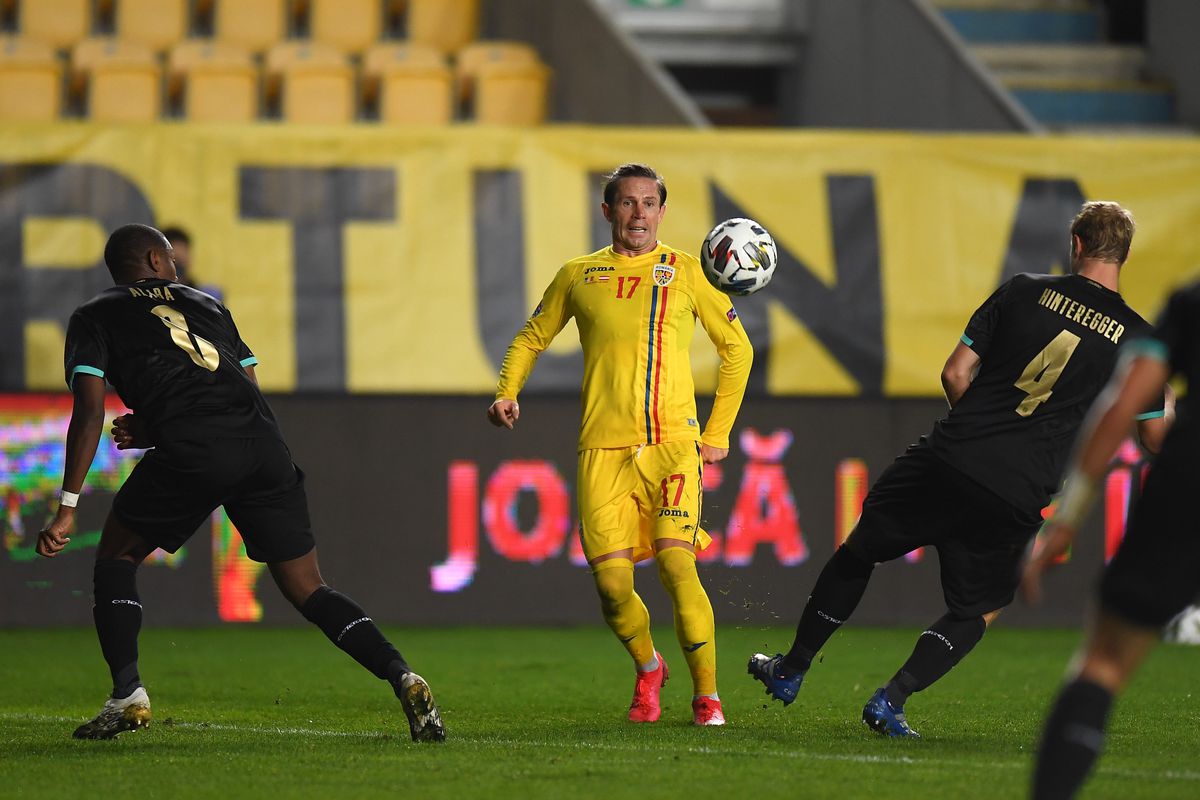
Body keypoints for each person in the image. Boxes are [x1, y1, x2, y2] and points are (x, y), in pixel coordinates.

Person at [748, 201, 1168, 738]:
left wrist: (977, 434)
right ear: (1125, 255)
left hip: (950, 455)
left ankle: (793, 668)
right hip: (1020, 488)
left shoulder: (1022, 289)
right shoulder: (1138, 340)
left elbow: (955, 372)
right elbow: (1154, 436)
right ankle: (891, 700)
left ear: (1077, 246)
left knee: (861, 549)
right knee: (982, 606)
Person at [37, 224, 445, 743]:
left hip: (195, 449)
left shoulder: (92, 315)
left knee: (116, 558)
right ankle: (402, 675)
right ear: (152, 261)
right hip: (262, 444)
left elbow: (90, 411)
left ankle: (127, 696)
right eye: (171, 260)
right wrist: (164, 423)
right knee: (309, 587)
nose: (178, 269)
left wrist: (68, 504)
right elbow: (245, 387)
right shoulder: (208, 305)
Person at [487, 163, 753, 726]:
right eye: (627, 203)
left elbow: (737, 349)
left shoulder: (686, 271)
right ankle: (648, 667)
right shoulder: (578, 275)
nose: (639, 213)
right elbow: (533, 335)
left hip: (673, 445)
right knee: (611, 587)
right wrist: (507, 390)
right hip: (603, 449)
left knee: (679, 567)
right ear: (607, 211)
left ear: (662, 211)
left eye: (649, 203)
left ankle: (707, 697)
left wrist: (718, 433)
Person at [1022, 282, 1189, 799]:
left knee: (1103, 663)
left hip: (1188, 485)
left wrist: (1066, 518)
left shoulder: (1191, 302)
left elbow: (1125, 406)